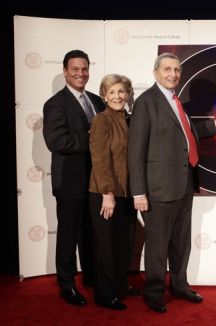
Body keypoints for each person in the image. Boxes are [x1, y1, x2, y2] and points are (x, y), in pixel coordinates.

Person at [127, 52, 216, 314]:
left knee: (180, 242)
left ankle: (179, 285)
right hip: (158, 189)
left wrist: (213, 126)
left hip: (184, 183)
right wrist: (138, 191)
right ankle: (153, 292)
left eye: (176, 70)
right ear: (155, 73)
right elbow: (136, 150)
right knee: (157, 244)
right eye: (167, 69)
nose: (173, 74)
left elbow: (185, 134)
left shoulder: (175, 101)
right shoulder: (146, 102)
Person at [43, 49, 105, 306]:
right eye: (75, 69)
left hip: (96, 181)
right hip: (70, 182)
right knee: (68, 236)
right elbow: (56, 141)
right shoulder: (56, 104)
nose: (81, 73)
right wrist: (92, 139)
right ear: (65, 71)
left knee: (92, 234)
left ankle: (91, 277)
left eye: (85, 69)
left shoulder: (96, 100)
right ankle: (67, 284)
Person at [88, 74, 140, 311]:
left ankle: (120, 284)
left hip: (127, 192)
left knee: (124, 243)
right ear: (104, 96)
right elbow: (99, 159)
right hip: (105, 193)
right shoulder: (102, 120)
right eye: (112, 92)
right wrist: (108, 194)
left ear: (127, 94)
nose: (117, 96)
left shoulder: (130, 119)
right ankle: (104, 292)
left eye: (121, 92)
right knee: (106, 245)